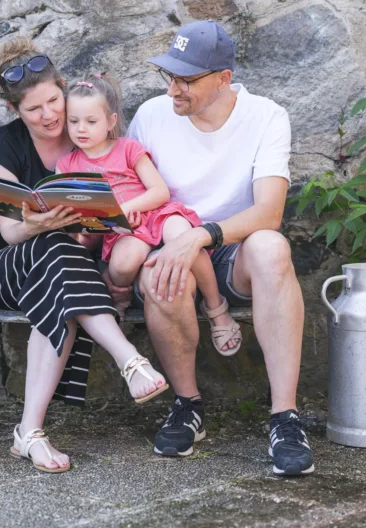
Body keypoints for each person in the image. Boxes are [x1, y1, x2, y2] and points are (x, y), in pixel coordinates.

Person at [115, 20, 314, 476]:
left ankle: (285, 417)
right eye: (169, 77)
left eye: (186, 80)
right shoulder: (151, 115)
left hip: (233, 249)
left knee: (271, 247)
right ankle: (188, 406)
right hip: (167, 242)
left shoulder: (266, 116)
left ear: (223, 79)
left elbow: (269, 212)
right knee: (161, 273)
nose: (173, 91)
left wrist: (200, 235)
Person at [0, 37, 168, 474]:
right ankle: (129, 360)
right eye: (33, 109)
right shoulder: (3, 147)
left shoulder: (85, 130)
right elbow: (9, 233)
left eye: (52, 101)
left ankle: (29, 434)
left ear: (63, 88)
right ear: (15, 112)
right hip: (11, 264)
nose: (49, 115)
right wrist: (40, 224)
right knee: (51, 246)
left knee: (60, 272)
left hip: (70, 264)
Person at [56, 74, 241, 355]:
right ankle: (120, 299)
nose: (81, 129)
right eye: (73, 121)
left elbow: (159, 191)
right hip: (120, 231)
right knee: (122, 264)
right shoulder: (67, 165)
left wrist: (129, 208)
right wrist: (98, 226)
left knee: (185, 238)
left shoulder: (128, 148)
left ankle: (216, 307)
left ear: (111, 122)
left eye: (91, 122)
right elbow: (78, 217)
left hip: (155, 213)